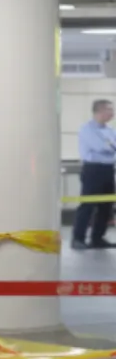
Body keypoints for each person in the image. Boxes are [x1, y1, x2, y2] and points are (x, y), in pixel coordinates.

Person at [72, 99, 116, 250]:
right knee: (87, 205)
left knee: (106, 206)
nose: (112, 113)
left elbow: (110, 147)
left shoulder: (110, 131)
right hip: (92, 170)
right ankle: (78, 238)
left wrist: (110, 147)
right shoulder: (87, 129)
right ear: (99, 111)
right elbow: (100, 147)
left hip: (108, 170)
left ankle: (98, 238)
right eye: (109, 110)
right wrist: (110, 147)